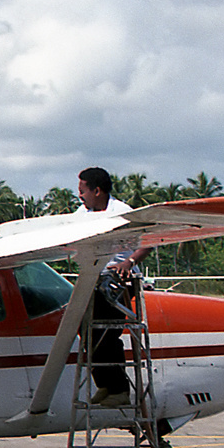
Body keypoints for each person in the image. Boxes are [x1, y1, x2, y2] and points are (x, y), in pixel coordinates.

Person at [75, 168, 149, 408]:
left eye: (83, 191)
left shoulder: (122, 213)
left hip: (118, 280)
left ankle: (118, 389)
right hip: (92, 278)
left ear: (97, 191)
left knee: (107, 331)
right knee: (84, 329)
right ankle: (105, 385)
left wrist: (130, 261)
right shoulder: (81, 214)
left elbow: (148, 241)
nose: (80, 197)